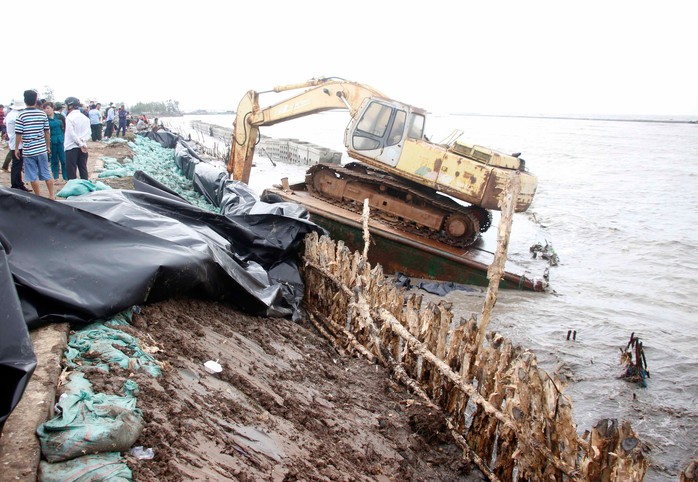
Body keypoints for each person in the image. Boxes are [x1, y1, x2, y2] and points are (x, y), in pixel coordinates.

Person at [14, 89, 55, 200]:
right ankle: (52, 196)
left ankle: (38, 198)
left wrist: (16, 148)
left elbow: (18, 134)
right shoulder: (42, 114)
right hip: (41, 149)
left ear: (25, 100)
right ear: (36, 100)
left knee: (32, 176)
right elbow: (47, 132)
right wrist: (48, 146)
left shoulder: (21, 115)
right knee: (46, 173)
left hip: (28, 150)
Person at [4, 98, 30, 189]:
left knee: (16, 164)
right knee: (17, 165)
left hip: (13, 141)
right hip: (18, 144)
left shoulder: (10, 115)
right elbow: (20, 131)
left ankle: (18, 183)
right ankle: (16, 184)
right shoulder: (18, 116)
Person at [63, 96, 91, 180]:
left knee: (71, 171)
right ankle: (86, 187)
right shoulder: (85, 118)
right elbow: (89, 133)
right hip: (83, 147)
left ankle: (74, 189)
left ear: (70, 106)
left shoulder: (69, 118)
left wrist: (80, 143)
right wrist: (83, 142)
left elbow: (72, 134)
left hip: (71, 147)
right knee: (83, 169)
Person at [43, 101, 67, 181]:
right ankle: (56, 177)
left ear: (52, 108)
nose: (46, 110)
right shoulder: (45, 119)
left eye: (48, 108)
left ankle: (65, 177)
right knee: (54, 160)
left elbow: (65, 127)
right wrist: (47, 145)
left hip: (61, 139)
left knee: (63, 159)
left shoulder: (60, 117)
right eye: (44, 108)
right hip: (51, 140)